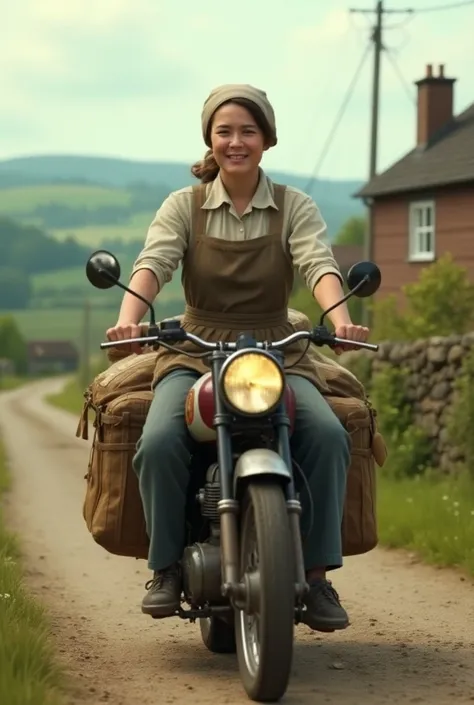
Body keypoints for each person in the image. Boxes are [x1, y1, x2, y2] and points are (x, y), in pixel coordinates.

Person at [106, 84, 370, 632]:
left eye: (248, 131)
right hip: (196, 350)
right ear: (210, 138)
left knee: (326, 434)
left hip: (278, 350)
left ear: (267, 139)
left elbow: (317, 263)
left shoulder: (293, 205)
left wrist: (341, 320)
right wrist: (132, 316)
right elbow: (153, 261)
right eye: (224, 131)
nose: (236, 142)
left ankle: (317, 577)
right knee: (157, 441)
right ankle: (165, 568)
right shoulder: (185, 205)